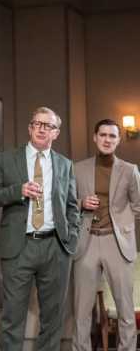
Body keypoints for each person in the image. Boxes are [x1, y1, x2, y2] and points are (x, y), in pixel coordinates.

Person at [0, 106, 80, 351]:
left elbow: (71, 205)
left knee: (52, 319)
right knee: (12, 318)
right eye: (36, 123)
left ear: (56, 133)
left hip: (55, 247)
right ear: (29, 128)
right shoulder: (7, 159)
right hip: (18, 246)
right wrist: (19, 190)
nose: (41, 129)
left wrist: (71, 239)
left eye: (47, 125)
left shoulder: (65, 164)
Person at [72, 119, 140, 351]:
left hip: (117, 242)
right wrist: (81, 203)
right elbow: (67, 204)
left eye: (112, 136)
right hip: (86, 241)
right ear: (95, 137)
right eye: (103, 135)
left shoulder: (130, 170)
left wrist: (125, 227)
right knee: (81, 311)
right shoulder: (77, 168)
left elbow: (138, 206)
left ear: (118, 140)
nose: (107, 140)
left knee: (125, 309)